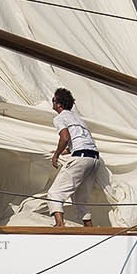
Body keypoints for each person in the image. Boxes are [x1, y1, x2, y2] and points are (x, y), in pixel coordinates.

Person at [47, 87, 100, 227]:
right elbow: (77, 142)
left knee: (55, 192)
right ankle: (90, 229)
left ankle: (59, 225)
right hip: (93, 158)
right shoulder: (79, 119)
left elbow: (65, 137)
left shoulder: (60, 118)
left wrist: (56, 155)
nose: (52, 102)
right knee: (80, 199)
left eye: (53, 100)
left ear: (58, 104)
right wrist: (61, 151)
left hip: (81, 157)